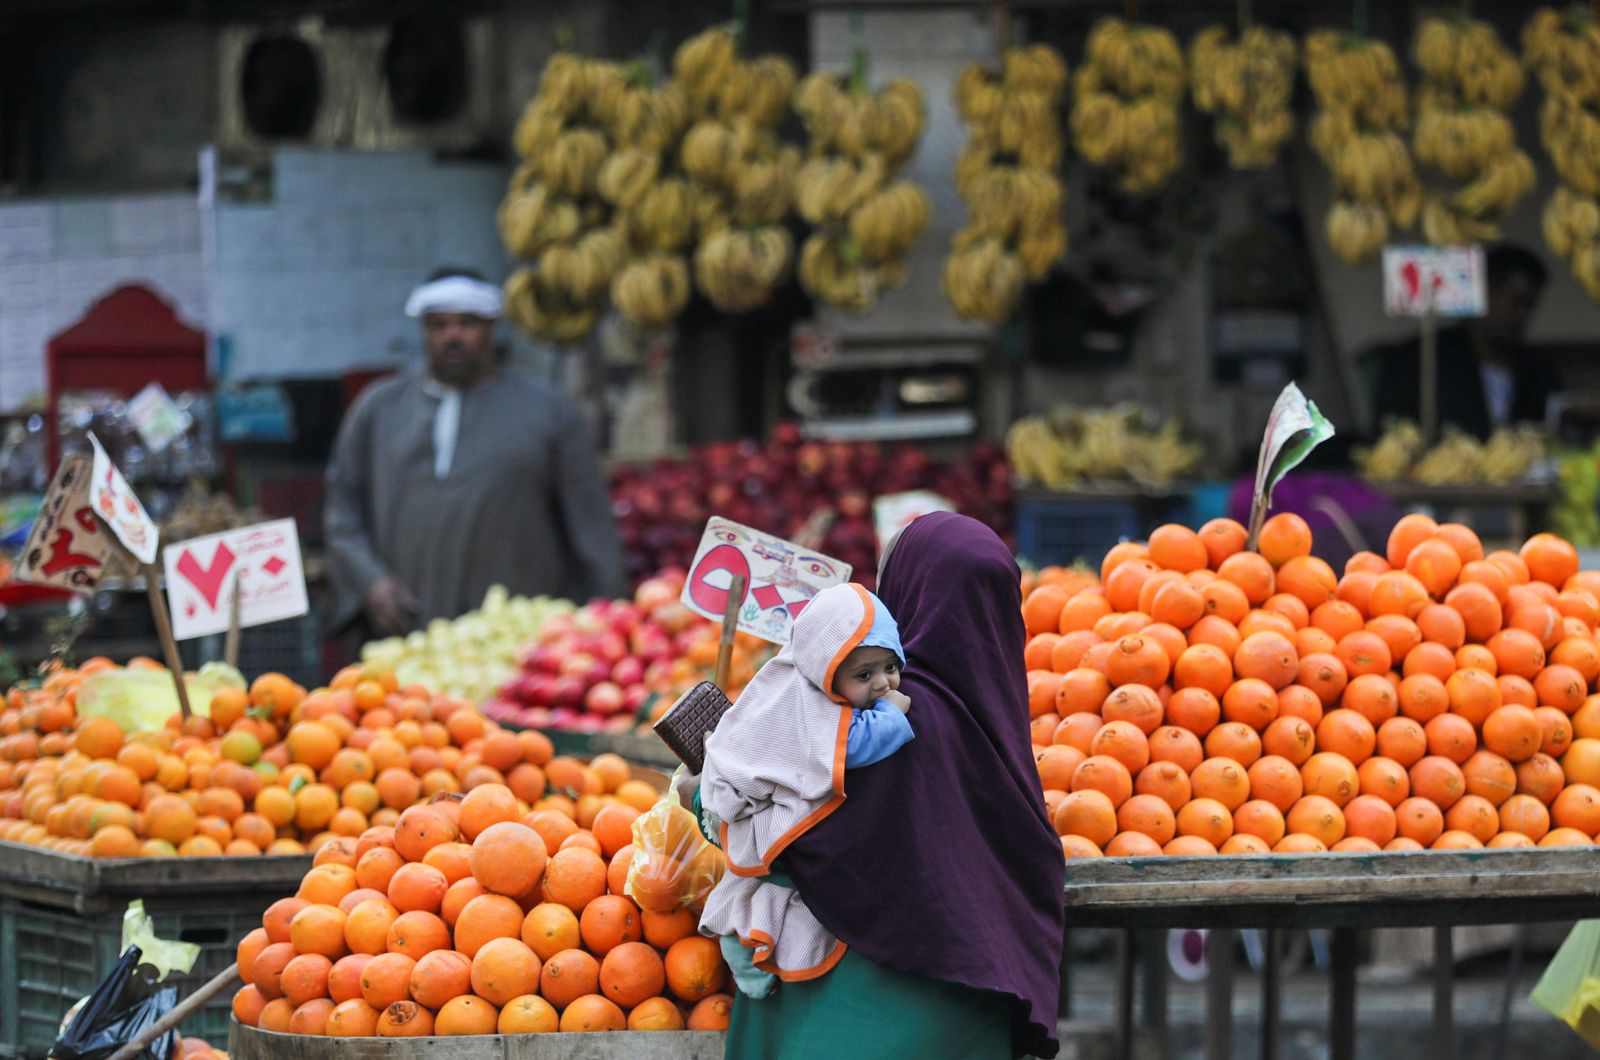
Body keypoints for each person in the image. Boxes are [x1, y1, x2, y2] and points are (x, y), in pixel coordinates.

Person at [691, 512, 1065, 1059]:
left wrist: (705, 795)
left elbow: (796, 838)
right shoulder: (998, 730)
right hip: (968, 1018)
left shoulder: (876, 716)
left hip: (853, 1013)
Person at [325, 268, 623, 637]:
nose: (452, 336)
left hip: (521, 637)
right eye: (438, 325)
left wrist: (608, 617)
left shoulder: (548, 410)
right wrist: (371, 583)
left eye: (467, 323)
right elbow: (343, 515)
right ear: (423, 331)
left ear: (492, 327)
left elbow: (591, 525)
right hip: (406, 638)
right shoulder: (378, 408)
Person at [697, 582, 914, 998]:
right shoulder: (804, 697)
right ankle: (742, 940)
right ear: (824, 668)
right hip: (747, 800)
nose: (884, 683)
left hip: (739, 795)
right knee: (776, 875)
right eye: (864, 675)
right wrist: (891, 714)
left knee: (776, 887)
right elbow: (853, 744)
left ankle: (751, 937)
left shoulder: (803, 678)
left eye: (891, 666)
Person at [1369, 243, 1558, 440]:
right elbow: (1388, 433)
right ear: (1484, 293)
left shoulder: (1539, 372)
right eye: (1517, 303)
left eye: (1531, 306)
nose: (1523, 316)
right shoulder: (1418, 362)